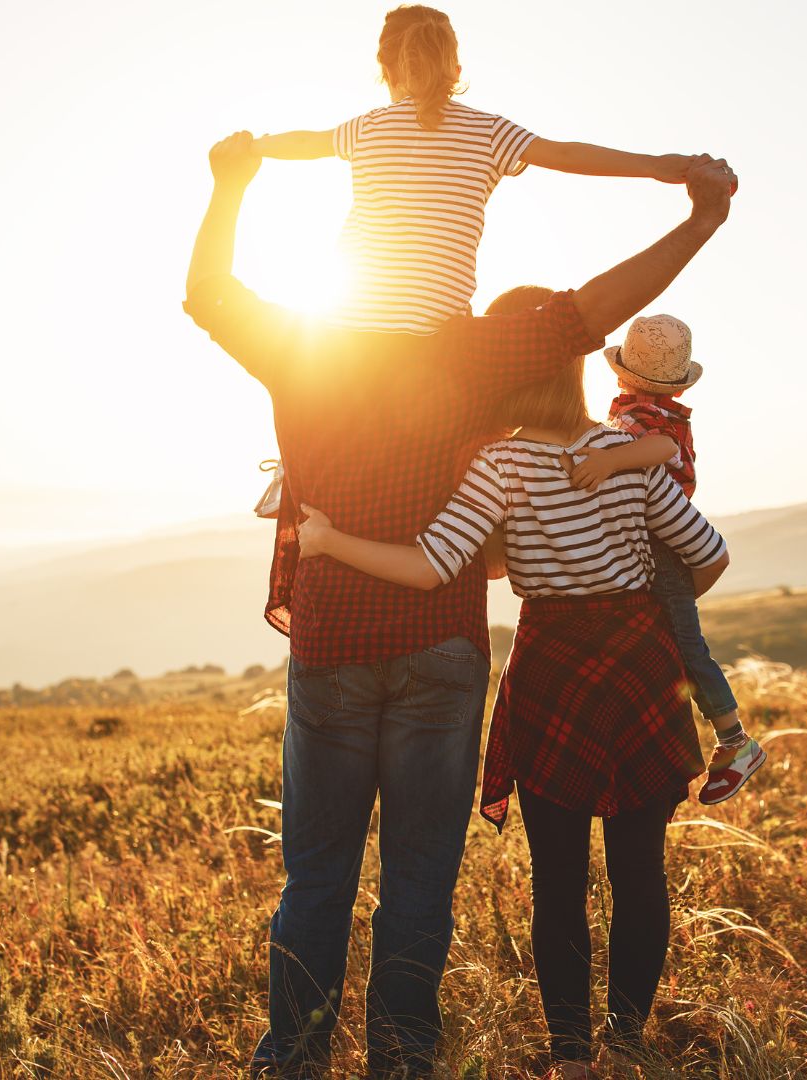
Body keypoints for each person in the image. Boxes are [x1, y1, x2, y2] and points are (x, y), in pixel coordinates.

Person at [183, 129, 736, 1078]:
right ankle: (403, 1059)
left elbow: (208, 294)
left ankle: (295, 1059)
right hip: (442, 650)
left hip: (332, 643)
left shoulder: (302, 345)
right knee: (419, 877)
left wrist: (231, 185)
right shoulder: (481, 352)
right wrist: (700, 216)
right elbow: (603, 306)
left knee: (317, 873)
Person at [293, 317, 731, 1074]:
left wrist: (329, 543)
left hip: (552, 669)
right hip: (639, 668)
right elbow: (709, 555)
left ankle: (569, 1056)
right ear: (577, 373)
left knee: (558, 878)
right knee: (639, 869)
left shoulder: (499, 463)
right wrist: (641, 609)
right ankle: (624, 1047)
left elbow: (434, 567)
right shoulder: (624, 453)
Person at [254, 4, 703, 334]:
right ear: (455, 69)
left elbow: (304, 143)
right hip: (436, 330)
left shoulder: (367, 127)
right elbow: (566, 155)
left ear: (385, 70)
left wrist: (253, 147)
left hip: (346, 324)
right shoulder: (489, 131)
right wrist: (653, 166)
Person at [559, 313, 766, 803]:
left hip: (662, 543)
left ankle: (735, 739)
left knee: (685, 645)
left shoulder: (648, 420)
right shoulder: (644, 410)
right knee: (663, 642)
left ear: (622, 371)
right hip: (652, 541)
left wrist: (608, 461)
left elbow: (660, 448)